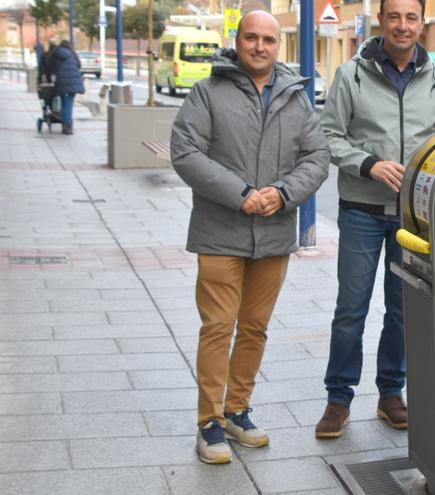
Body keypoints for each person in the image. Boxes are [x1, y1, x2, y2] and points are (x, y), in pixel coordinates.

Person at [170, 10, 330, 464]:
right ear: (237, 41)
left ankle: (237, 410)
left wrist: (282, 194)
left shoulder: (296, 96)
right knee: (218, 326)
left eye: (269, 40)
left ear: (279, 45)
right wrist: (241, 195)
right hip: (221, 231)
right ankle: (209, 422)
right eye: (251, 38)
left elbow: (317, 157)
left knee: (255, 327)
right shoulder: (208, 91)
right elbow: (185, 152)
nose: (260, 46)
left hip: (274, 233)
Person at [316, 0, 435, 439]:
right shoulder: (352, 75)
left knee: (402, 310)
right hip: (361, 210)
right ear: (382, 20)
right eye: (394, 16)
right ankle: (338, 399)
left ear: (421, 23)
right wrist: (368, 164)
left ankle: (390, 393)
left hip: (412, 217)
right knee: (350, 309)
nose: (402, 25)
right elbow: (327, 135)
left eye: (411, 17)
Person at [48, 40, 84, 135]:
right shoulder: (73, 54)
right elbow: (79, 66)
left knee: (64, 104)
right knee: (69, 104)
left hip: (62, 82)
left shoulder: (56, 54)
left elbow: (52, 68)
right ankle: (68, 125)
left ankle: (66, 126)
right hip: (75, 81)